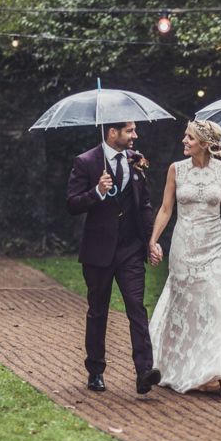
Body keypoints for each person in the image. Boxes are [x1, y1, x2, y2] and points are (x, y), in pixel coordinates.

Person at [148, 119, 221, 395]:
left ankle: (219, 371)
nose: (184, 141)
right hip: (184, 246)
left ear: (205, 144)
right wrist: (153, 239)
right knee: (185, 306)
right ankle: (180, 366)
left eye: (190, 138)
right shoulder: (176, 170)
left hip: (214, 247)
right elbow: (165, 209)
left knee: (215, 306)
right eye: (185, 136)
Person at [66, 121, 162, 395]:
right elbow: (71, 204)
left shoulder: (136, 161)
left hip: (130, 249)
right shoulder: (86, 162)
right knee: (98, 312)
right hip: (98, 252)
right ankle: (95, 371)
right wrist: (97, 192)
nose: (136, 135)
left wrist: (150, 242)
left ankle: (144, 371)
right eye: (130, 130)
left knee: (136, 307)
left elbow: (144, 205)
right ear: (113, 133)